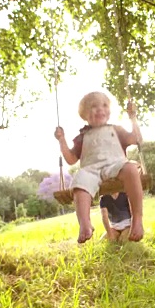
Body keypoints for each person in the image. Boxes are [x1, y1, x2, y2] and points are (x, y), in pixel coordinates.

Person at [54, 91, 144, 244]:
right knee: (79, 181)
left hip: (116, 165)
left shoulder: (117, 129)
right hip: (91, 169)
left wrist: (132, 118)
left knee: (130, 169)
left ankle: (137, 219)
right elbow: (70, 159)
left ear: (109, 110)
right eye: (93, 106)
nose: (100, 109)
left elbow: (136, 139)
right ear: (84, 115)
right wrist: (62, 140)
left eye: (104, 105)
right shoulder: (82, 137)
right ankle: (85, 224)